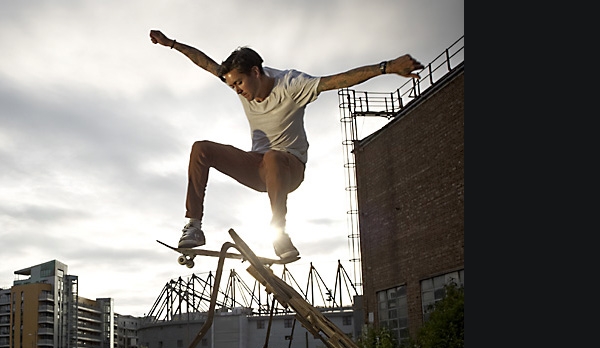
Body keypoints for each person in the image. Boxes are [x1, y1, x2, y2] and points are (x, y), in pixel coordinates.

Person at [149, 29, 424, 259]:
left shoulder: (292, 84)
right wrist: (171, 44)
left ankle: (279, 234)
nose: (237, 91)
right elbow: (205, 62)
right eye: (232, 86)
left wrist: (386, 68)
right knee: (201, 148)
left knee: (274, 157)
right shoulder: (238, 80)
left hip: (289, 168)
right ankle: (193, 224)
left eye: (240, 84)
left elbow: (337, 81)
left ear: (256, 72)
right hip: (259, 170)